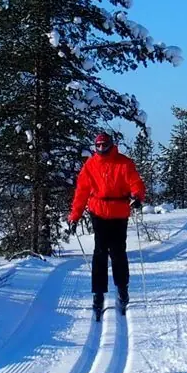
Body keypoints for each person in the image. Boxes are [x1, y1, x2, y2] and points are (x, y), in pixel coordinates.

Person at [68, 132, 146, 318]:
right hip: (98, 212)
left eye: (105, 145)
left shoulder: (124, 162)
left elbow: (136, 183)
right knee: (100, 252)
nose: (102, 148)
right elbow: (82, 191)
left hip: (119, 212)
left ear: (111, 145)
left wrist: (137, 196)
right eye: (98, 146)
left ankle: (122, 288)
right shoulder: (90, 164)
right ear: (95, 147)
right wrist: (75, 215)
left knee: (118, 251)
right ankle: (98, 293)